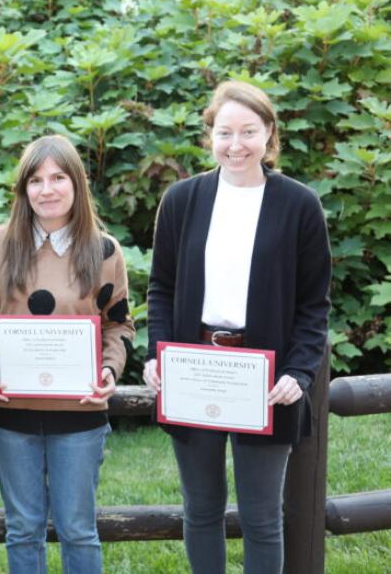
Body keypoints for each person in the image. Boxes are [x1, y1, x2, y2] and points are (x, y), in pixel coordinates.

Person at [142, 80, 331, 574]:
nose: (236, 144)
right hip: (194, 366)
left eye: (249, 131)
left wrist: (299, 372)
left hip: (266, 380)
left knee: (262, 517)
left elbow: (315, 306)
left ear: (269, 134)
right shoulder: (182, 200)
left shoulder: (299, 205)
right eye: (225, 132)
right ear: (210, 136)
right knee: (201, 509)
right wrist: (156, 354)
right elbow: (160, 288)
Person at [0, 134, 134, 574]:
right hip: (9, 409)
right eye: (35, 180)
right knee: (23, 528)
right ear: (23, 190)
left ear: (76, 183)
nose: (47, 189)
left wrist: (108, 369)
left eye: (58, 177)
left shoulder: (104, 250)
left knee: (78, 529)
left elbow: (118, 324)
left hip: (79, 410)